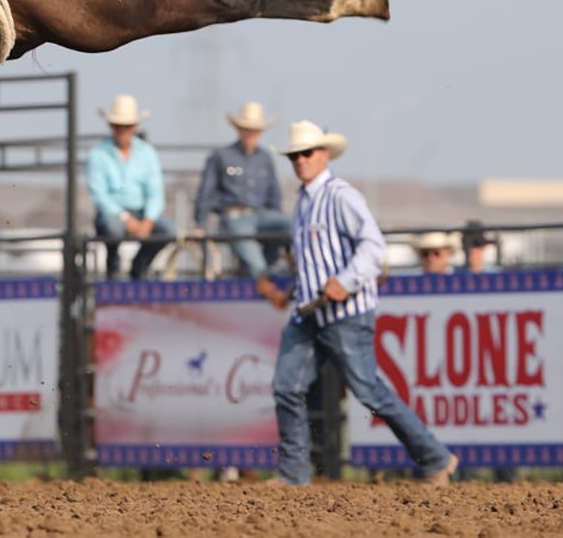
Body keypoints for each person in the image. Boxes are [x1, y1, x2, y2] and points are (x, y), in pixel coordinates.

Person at [264, 120, 458, 487]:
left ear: (324, 154)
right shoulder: (305, 202)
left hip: (345, 315)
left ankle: (434, 457)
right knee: (287, 386)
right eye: (294, 156)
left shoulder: (341, 195)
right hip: (309, 312)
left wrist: (346, 281)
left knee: (369, 391)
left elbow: (373, 246)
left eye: (306, 153)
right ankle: (293, 472)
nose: (300, 160)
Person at [193, 101, 290, 297]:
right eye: (247, 129)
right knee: (250, 252)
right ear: (238, 129)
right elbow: (206, 193)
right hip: (234, 217)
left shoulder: (265, 158)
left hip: (263, 216)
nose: (251, 134)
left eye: (255, 130)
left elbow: (274, 194)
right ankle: (265, 282)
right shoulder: (221, 156)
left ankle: (290, 273)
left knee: (293, 225)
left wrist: (276, 218)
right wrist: (201, 224)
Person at [87, 94, 175, 280]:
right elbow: (99, 196)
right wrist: (127, 219)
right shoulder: (98, 154)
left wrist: (148, 220)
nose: (123, 130)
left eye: (126, 126)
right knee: (113, 228)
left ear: (135, 127)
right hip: (113, 215)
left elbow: (155, 192)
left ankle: (140, 265)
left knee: (169, 230)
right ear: (111, 126)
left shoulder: (147, 153)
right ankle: (113, 268)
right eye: (118, 126)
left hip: (141, 213)